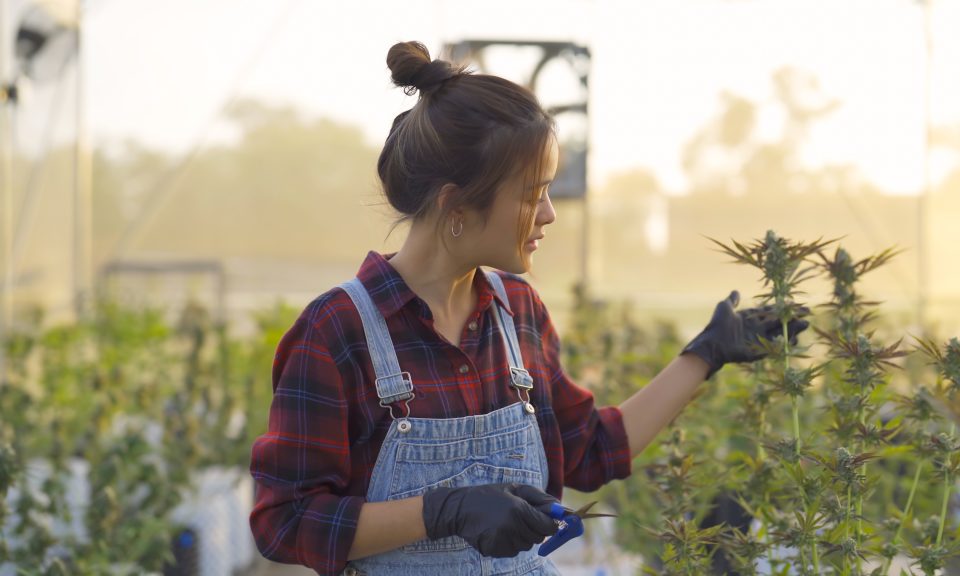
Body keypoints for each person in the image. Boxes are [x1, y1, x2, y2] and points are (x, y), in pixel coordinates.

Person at [248, 40, 808, 576]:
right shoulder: (338, 331)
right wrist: (444, 510)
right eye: (531, 193)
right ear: (456, 205)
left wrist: (704, 355)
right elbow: (286, 522)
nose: (548, 214)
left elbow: (588, 450)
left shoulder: (516, 313)